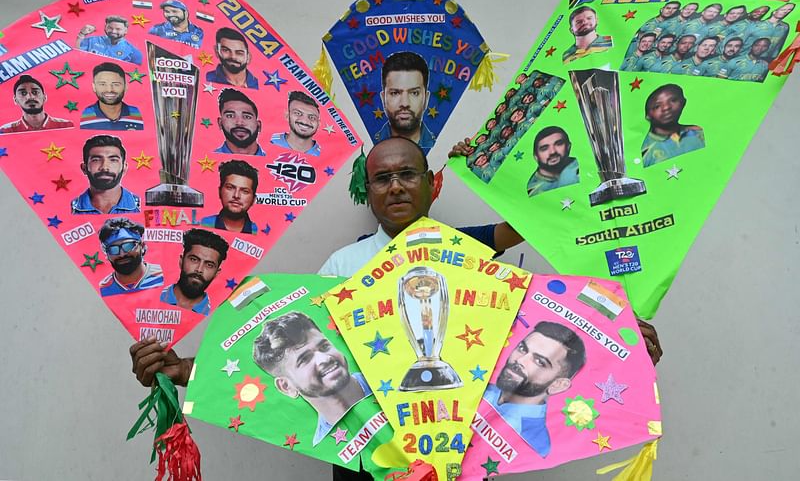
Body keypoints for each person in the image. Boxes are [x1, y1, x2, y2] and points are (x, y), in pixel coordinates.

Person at [131, 137, 663, 480]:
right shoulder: (342, 263)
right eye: (382, 179)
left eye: (408, 175)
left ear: (432, 185)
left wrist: (626, 350)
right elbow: (296, 358)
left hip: (459, 456)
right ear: (369, 192)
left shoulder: (470, 248)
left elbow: (529, 329)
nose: (396, 187)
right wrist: (185, 372)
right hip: (368, 461)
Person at [253, 311, 372, 446]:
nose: (325, 358)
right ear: (286, 387)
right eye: (305, 359)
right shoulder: (326, 447)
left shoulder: (393, 378)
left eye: (324, 346)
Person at [484, 321, 586, 457]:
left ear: (558, 384)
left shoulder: (535, 444)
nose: (520, 361)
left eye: (539, 362)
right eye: (522, 349)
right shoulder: (479, 389)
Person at [373, 51, 436, 152]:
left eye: (414, 93)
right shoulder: (368, 147)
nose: (405, 103)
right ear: (383, 98)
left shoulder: (443, 146)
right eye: (395, 93)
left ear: (426, 99)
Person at [159, 228, 229, 316]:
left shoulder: (216, 316)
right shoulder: (153, 298)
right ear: (181, 261)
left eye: (209, 265)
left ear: (217, 273)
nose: (199, 270)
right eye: (194, 259)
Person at [71, 135, 140, 214]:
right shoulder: (70, 209)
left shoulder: (141, 206)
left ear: (124, 168)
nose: (104, 167)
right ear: (84, 168)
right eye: (96, 160)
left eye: (113, 160)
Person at [641, 84, 705, 167]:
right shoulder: (644, 149)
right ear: (647, 116)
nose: (666, 107)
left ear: (683, 103)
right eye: (657, 106)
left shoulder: (698, 133)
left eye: (673, 100)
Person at [98, 218, 163, 296]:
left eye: (128, 246)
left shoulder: (163, 278)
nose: (122, 254)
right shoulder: (102, 290)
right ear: (107, 254)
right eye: (113, 249)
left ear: (142, 246)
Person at [80, 62, 143, 130]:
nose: (109, 90)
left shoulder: (139, 114)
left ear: (125, 86)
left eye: (116, 84)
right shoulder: (83, 116)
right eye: (102, 84)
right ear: (94, 87)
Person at [200, 160, 259, 233]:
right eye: (230, 187)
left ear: (253, 199)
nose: (236, 195)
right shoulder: (202, 225)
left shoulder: (258, 232)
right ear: (219, 191)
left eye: (245, 191)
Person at [1, 75, 74, 133]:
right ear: (15, 100)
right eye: (23, 93)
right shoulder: (6, 131)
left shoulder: (66, 126)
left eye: (35, 92)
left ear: (44, 97)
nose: (30, 97)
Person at [526, 126, 579, 197]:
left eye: (559, 144)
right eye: (544, 148)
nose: (552, 152)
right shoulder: (534, 190)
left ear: (568, 146)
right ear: (536, 157)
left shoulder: (580, 165)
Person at [214, 88, 265, 155]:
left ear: (259, 125)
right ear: (220, 123)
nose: (239, 123)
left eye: (247, 117)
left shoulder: (274, 160)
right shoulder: (207, 159)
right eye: (230, 116)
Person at [270, 90, 321, 156]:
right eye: (298, 113)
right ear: (287, 116)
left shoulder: (327, 155)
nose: (304, 121)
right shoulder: (269, 142)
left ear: (319, 123)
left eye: (312, 117)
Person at [75, 15, 143, 64]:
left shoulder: (133, 52)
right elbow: (76, 56)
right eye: (110, 28)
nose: (113, 31)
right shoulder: (91, 41)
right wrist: (82, 34)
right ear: (105, 28)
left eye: (118, 29)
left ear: (125, 31)